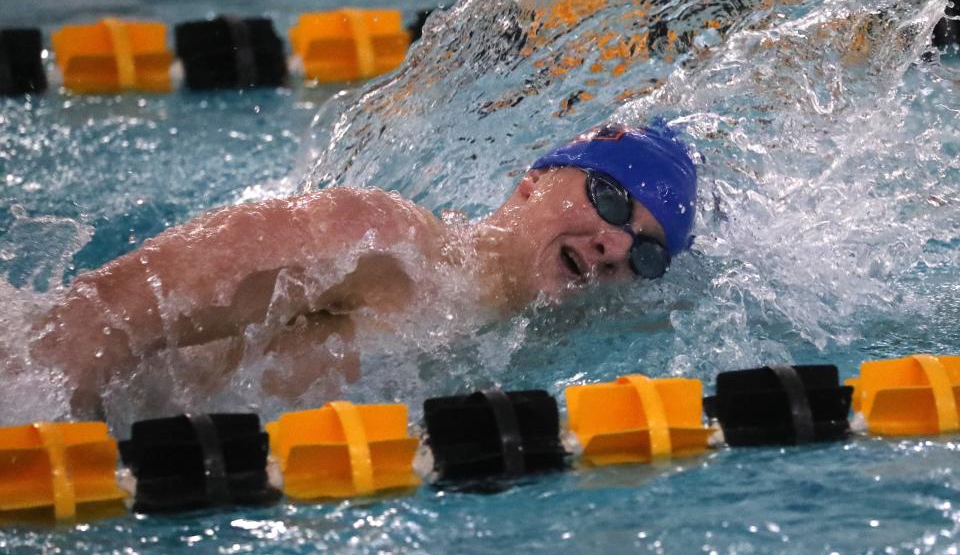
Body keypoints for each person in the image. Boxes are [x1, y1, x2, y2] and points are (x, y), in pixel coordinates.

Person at [30, 120, 697, 417]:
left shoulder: (520, 351)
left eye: (643, 251)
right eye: (609, 199)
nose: (613, 244)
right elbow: (102, 311)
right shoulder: (383, 245)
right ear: (532, 181)